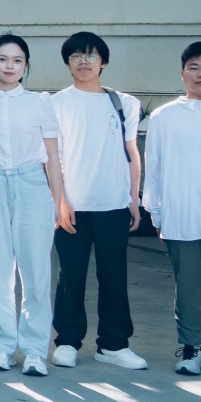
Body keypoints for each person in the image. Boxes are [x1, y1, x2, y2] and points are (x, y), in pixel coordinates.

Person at [0, 33, 70, 376]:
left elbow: (53, 156)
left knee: (36, 271)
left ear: (26, 65)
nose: (9, 66)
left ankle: (35, 351)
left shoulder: (40, 102)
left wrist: (57, 201)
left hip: (32, 184)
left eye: (17, 60)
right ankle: (1, 347)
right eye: (2, 59)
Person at [50, 31, 148, 370]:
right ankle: (67, 342)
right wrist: (61, 202)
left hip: (114, 204)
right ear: (68, 63)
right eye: (76, 55)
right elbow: (52, 158)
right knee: (70, 277)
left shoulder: (124, 103)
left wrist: (133, 197)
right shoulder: (56, 104)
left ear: (103, 62)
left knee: (114, 276)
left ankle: (113, 345)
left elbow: (131, 152)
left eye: (91, 55)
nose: (84, 61)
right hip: (73, 206)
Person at [143, 42, 201, 376]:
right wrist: (156, 212)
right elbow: (153, 168)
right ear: (183, 74)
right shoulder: (164, 116)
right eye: (194, 67)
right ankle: (193, 347)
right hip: (182, 215)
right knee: (189, 288)